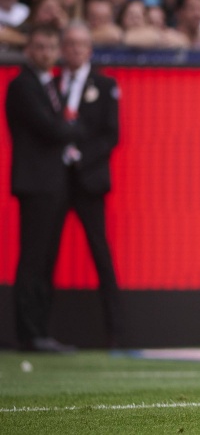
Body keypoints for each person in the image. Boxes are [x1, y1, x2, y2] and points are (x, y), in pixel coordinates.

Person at [5, 25, 84, 352]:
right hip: (35, 183)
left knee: (46, 259)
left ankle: (40, 330)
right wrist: (72, 127)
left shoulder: (50, 84)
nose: (46, 52)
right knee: (33, 258)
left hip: (53, 183)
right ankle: (29, 332)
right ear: (28, 50)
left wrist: (66, 127)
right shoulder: (22, 85)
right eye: (39, 46)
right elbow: (51, 128)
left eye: (51, 47)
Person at [52, 22, 123, 347]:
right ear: (62, 49)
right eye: (69, 44)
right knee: (44, 255)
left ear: (90, 50)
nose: (75, 49)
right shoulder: (51, 85)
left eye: (81, 44)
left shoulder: (105, 85)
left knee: (101, 254)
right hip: (53, 181)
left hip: (89, 181)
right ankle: (38, 330)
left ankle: (115, 332)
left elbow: (111, 135)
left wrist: (80, 157)